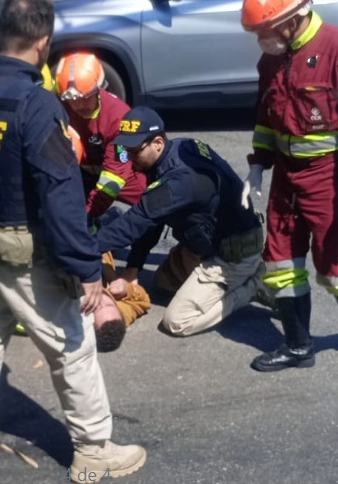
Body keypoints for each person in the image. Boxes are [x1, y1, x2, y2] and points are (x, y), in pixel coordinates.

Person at [0, 0, 146, 481]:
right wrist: (86, 270)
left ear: (0, 35)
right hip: (32, 259)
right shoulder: (37, 107)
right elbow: (60, 197)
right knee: (72, 348)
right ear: (43, 43)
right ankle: (92, 450)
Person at [96, 106, 265, 337]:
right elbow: (153, 218)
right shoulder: (178, 148)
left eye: (134, 151)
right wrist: (133, 267)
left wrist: (79, 248)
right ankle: (236, 280)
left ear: (157, 142)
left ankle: (255, 283)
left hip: (232, 255)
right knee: (163, 283)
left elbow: (133, 223)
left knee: (177, 321)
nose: (129, 159)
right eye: (124, 151)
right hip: (208, 241)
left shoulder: (179, 181)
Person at [240, 0, 338, 371]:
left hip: (327, 177)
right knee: (280, 263)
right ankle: (298, 347)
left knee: (334, 269)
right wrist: (258, 166)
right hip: (286, 178)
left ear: (292, 19)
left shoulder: (333, 49)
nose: (261, 39)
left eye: (264, 30)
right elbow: (266, 117)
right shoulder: (272, 59)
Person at [55, 52, 147, 220]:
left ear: (99, 89)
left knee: (151, 204)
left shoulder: (118, 118)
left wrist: (88, 215)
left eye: (85, 97)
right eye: (72, 100)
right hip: (82, 172)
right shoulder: (59, 107)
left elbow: (113, 179)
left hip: (122, 172)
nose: (78, 105)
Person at [95, 252, 152, 352]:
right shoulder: (114, 315)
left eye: (96, 307)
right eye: (110, 304)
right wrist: (127, 289)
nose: (103, 299)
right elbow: (143, 300)